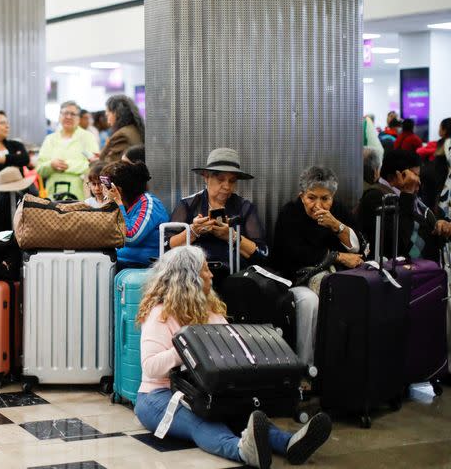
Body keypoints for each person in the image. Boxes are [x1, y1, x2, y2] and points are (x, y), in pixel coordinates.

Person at [134, 245, 332, 469]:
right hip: (159, 395)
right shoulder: (160, 313)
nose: (211, 274)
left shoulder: (211, 310)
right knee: (202, 420)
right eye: (205, 270)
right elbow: (151, 367)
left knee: (241, 412)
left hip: (203, 390)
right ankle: (240, 451)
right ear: (189, 279)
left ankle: (290, 444)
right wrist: (188, 348)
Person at [273, 166, 363, 367]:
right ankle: (307, 366)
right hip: (294, 279)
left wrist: (336, 226)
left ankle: (342, 360)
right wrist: (338, 257)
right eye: (311, 197)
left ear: (333, 197)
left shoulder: (337, 211)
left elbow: (359, 247)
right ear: (302, 195)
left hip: (335, 278)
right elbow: (293, 254)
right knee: (310, 301)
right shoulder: (290, 213)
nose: (318, 205)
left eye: (325, 199)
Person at [169, 148, 269, 277]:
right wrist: (193, 232)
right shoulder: (189, 205)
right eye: (220, 179)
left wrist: (231, 236)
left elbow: (262, 253)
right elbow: (166, 247)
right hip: (195, 277)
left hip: (234, 278)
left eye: (232, 181)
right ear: (206, 177)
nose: (227, 186)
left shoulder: (244, 208)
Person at [359, 150, 451, 261]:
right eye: (414, 175)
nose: (418, 182)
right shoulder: (377, 198)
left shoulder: (413, 197)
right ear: (395, 176)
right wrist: (407, 192)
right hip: (399, 273)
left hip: (427, 270)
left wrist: (440, 225)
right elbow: (398, 242)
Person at [101, 160, 169, 270]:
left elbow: (130, 237)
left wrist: (118, 203)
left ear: (118, 190)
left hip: (142, 268)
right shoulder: (125, 205)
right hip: (120, 263)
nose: (104, 191)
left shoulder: (149, 203)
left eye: (107, 187)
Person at [36, 101, 98, 200]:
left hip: (80, 195)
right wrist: (51, 165)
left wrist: (67, 165)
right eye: (65, 113)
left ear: (78, 118)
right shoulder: (50, 139)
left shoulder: (88, 137)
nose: (68, 117)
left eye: (73, 114)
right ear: (59, 116)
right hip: (52, 196)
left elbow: (94, 165)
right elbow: (39, 168)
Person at [98, 95, 144, 164]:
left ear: (116, 114)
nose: (108, 121)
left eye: (107, 115)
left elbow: (113, 167)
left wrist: (94, 162)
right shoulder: (135, 129)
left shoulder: (121, 135)